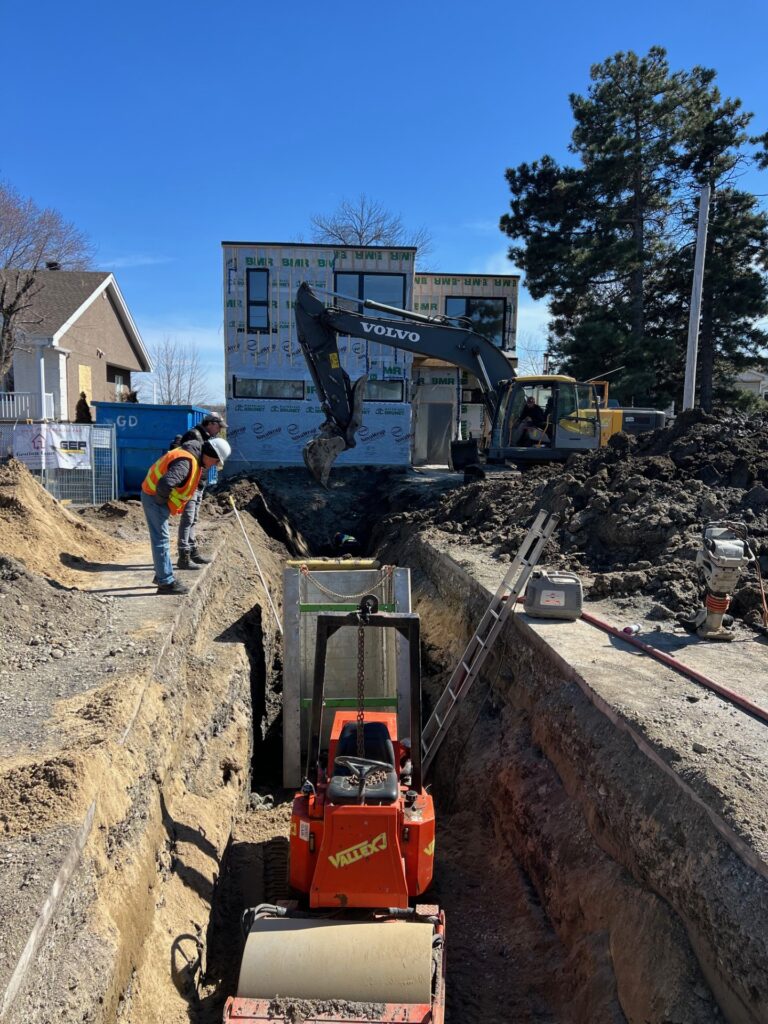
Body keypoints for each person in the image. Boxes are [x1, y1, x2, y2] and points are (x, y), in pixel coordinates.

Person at [141, 437, 231, 595]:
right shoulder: (187, 462)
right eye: (216, 462)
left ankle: (161, 574)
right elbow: (165, 484)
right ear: (210, 454)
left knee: (161, 539)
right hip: (154, 497)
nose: (214, 465)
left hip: (154, 496)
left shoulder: (193, 457)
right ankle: (166, 582)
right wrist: (162, 503)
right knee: (161, 539)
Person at [176, 413, 227, 570]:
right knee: (188, 518)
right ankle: (184, 555)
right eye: (218, 427)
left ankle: (191, 550)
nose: (219, 431)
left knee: (193, 518)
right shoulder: (195, 435)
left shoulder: (204, 437)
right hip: (192, 483)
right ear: (211, 423)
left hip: (199, 482)